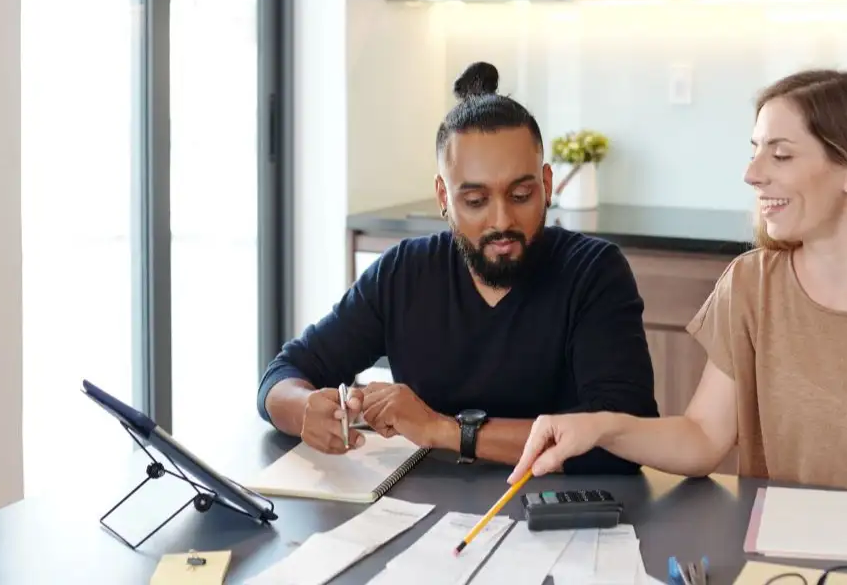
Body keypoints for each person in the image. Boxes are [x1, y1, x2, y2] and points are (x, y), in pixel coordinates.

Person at [507, 69, 847, 532]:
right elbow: (703, 438)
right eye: (755, 151)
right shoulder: (751, 286)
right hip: (788, 551)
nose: (752, 174)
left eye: (781, 154)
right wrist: (601, 426)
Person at [257, 61, 658, 473]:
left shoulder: (594, 273)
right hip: (427, 513)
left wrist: (443, 430)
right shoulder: (403, 274)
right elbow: (282, 376)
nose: (501, 221)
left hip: (558, 516)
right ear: (442, 196)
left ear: (548, 184)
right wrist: (306, 409)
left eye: (520, 194)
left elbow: (626, 438)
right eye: (475, 201)